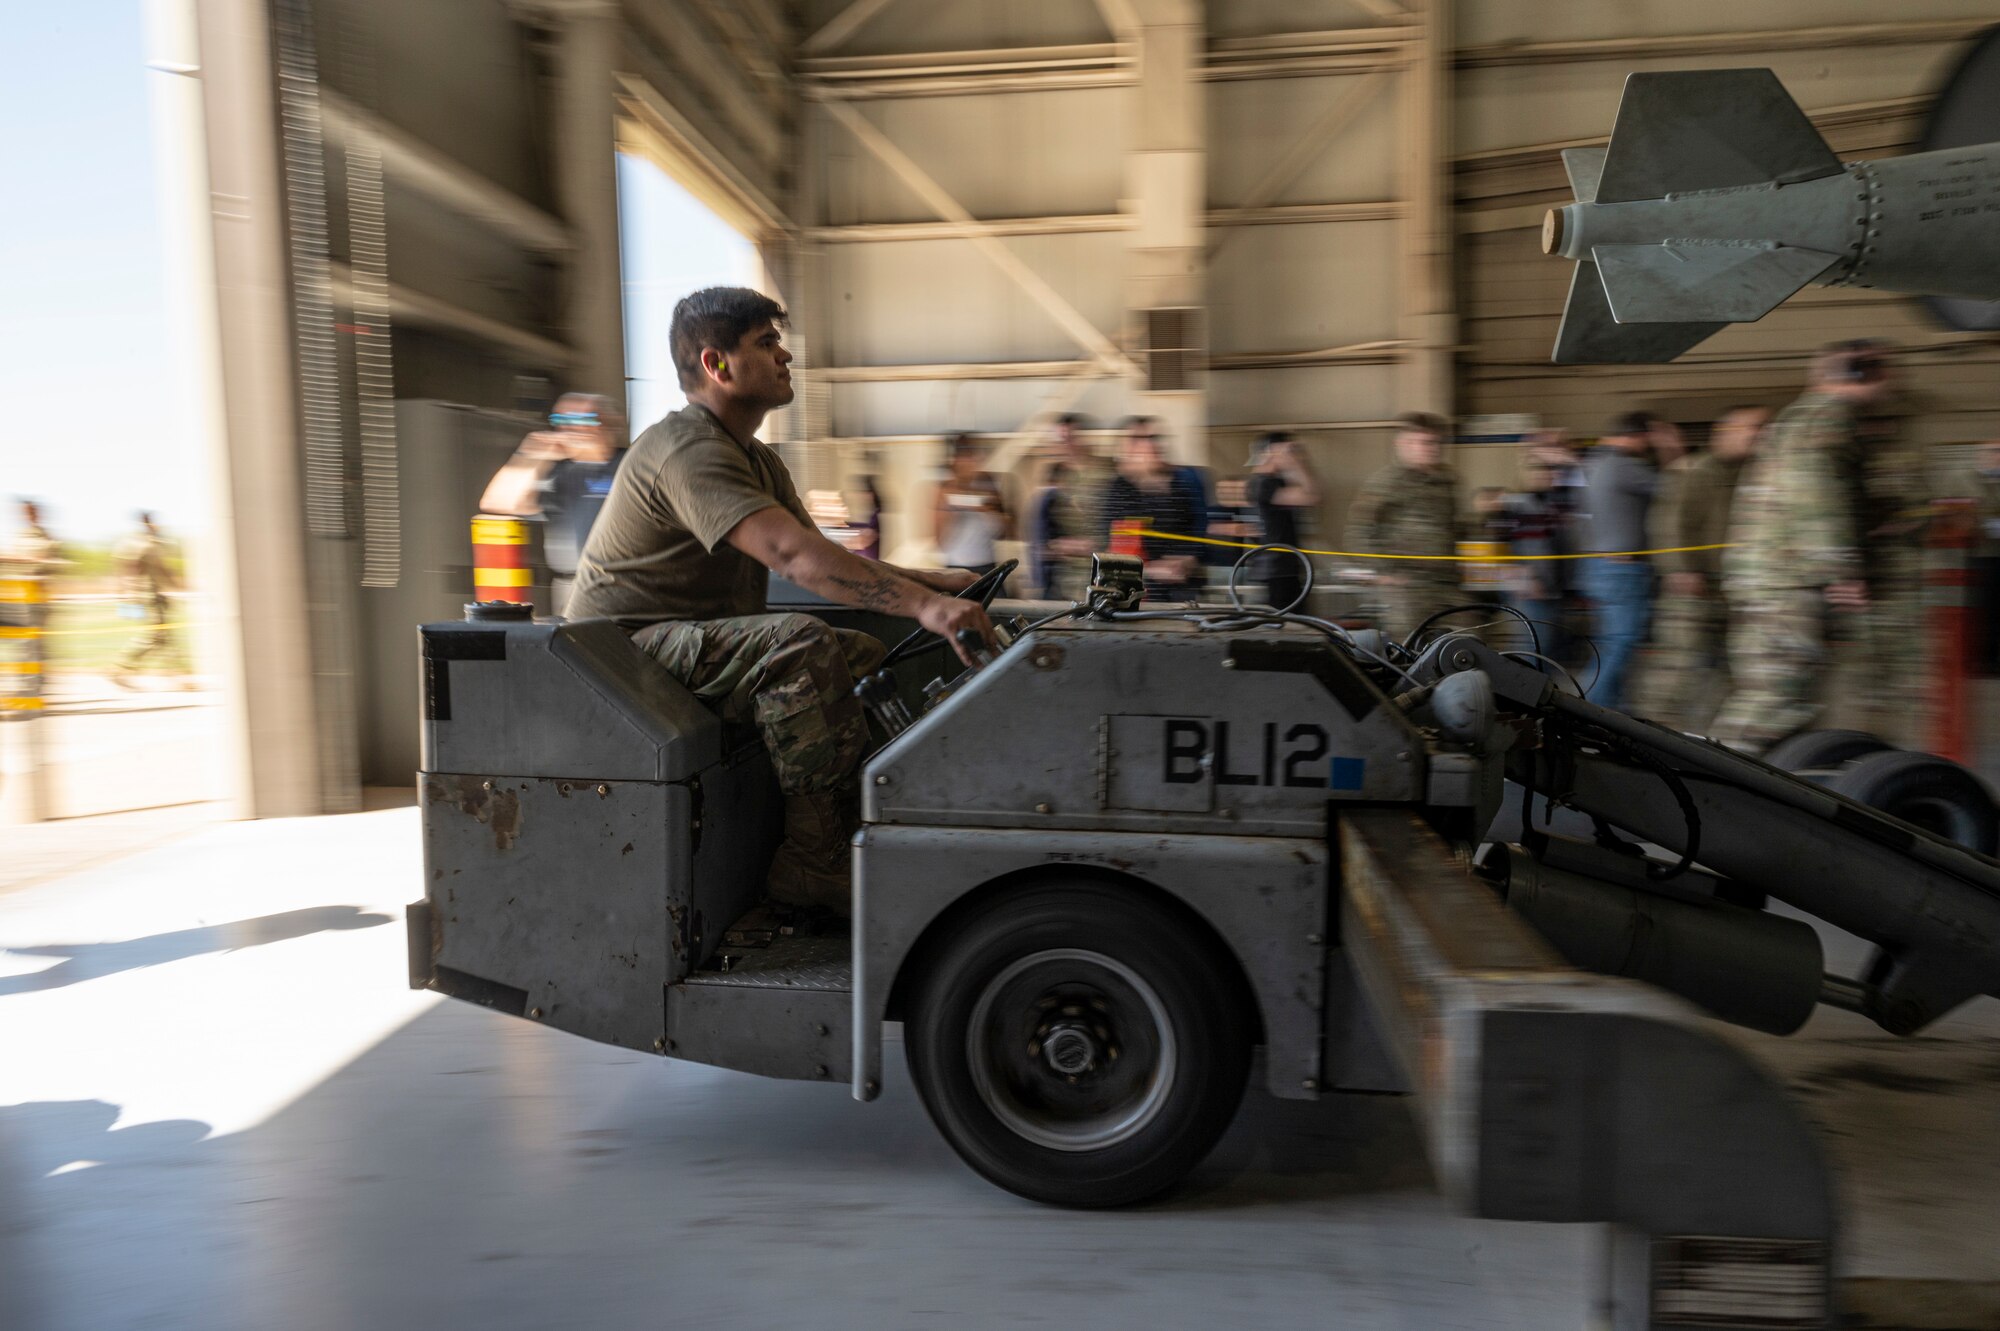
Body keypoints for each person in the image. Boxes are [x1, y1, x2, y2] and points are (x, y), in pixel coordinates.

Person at [566, 287, 994, 913]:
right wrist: (928, 609)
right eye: (766, 343)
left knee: (862, 652)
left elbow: (825, 558)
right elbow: (792, 559)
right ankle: (811, 866)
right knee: (800, 643)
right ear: (717, 365)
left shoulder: (755, 459)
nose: (784, 355)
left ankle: (859, 826)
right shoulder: (687, 451)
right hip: (619, 660)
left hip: (677, 645)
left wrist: (931, 582)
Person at [1709, 341, 1894, 755]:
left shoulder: (1804, 416)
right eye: (1884, 372)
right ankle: (1705, 795)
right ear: (1860, 374)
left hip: (1776, 578)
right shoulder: (1828, 416)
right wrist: (1841, 566)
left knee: (1780, 700)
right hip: (1787, 583)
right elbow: (1814, 489)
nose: (1889, 384)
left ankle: (1743, 791)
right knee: (1774, 703)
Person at [1640, 405, 1769, 731]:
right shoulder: (1696, 471)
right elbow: (1670, 522)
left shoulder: (1752, 473)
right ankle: (1652, 727)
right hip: (1693, 588)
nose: (1761, 435)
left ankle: (1716, 732)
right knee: (1679, 659)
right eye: (1753, 428)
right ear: (1726, 432)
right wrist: (1680, 569)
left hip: (1733, 588)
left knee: (1733, 664)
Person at [480, 392, 628, 613]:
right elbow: (499, 502)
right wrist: (532, 454)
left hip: (626, 584)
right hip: (575, 586)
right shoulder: (557, 473)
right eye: (561, 420)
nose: (572, 428)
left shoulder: (628, 463)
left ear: (608, 422)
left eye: (584, 419)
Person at [1347, 412, 1460, 641]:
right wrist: (1385, 573)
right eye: (1426, 442)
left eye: (1438, 442)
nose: (1434, 448)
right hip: (1407, 587)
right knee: (1410, 648)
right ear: (1404, 444)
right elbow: (1359, 531)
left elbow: (1452, 525)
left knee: (1463, 641)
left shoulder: (1447, 480)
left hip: (1445, 582)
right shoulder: (1387, 482)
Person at [1579, 411, 1663, 711]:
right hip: (1622, 570)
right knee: (1622, 642)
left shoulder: (1593, 463)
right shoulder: (1625, 465)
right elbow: (1672, 488)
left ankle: (1612, 709)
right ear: (1640, 436)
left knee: (1610, 642)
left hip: (1598, 567)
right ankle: (1591, 708)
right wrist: (1671, 449)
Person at [1100, 417, 1206, 600]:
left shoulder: (1184, 481)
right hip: (1140, 592)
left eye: (1153, 438)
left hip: (1183, 588)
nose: (1149, 445)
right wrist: (1152, 569)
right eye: (1139, 439)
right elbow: (1115, 549)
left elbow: (1197, 529)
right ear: (1125, 448)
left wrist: (1189, 559)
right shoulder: (1119, 489)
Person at [110, 511, 190, 688]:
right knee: (154, 637)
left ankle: (178, 676)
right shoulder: (144, 545)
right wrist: (131, 592)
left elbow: (157, 570)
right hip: (149, 596)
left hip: (155, 595)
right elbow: (140, 569)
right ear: (148, 523)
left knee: (164, 636)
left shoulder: (144, 543)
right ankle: (119, 669)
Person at [1041, 414, 1114, 600]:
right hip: (1065, 578)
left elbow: (1120, 518)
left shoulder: (1108, 472)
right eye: (1061, 439)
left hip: (1103, 571)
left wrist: (1095, 543)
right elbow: (1044, 529)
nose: (1067, 444)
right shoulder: (1056, 477)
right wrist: (1054, 545)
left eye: (1071, 437)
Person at [1247, 432, 1320, 611]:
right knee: (1289, 626)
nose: (1294, 455)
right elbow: (1312, 496)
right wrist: (1297, 464)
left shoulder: (1274, 481)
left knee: (1299, 622)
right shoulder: (1263, 483)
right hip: (1277, 569)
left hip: (1285, 565)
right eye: (1288, 450)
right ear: (1271, 451)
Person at [933, 434, 1011, 576]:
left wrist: (988, 511)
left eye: (973, 455)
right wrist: (951, 512)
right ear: (955, 461)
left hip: (987, 565)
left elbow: (1003, 532)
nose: (972, 461)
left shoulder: (988, 484)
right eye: (965, 456)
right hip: (956, 567)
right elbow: (940, 542)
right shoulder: (944, 490)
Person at [3, 499, 67, 629]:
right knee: (24, 638)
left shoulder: (48, 537)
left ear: (38, 513)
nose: (28, 516)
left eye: (31, 512)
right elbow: (13, 562)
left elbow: (56, 562)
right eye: (25, 512)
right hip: (21, 597)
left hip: (40, 596)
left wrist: (40, 562)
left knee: (39, 635)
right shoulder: (19, 538)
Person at [1974, 440, 2000, 675]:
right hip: (1980, 557)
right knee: (1984, 609)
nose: (1997, 456)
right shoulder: (1965, 479)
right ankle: (1985, 660)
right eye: (1993, 451)